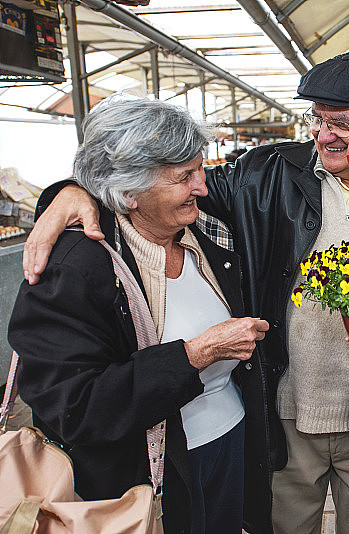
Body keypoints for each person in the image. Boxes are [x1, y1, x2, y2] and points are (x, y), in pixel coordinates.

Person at [23, 51, 349, 534]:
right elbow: (143, 177)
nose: (323, 134)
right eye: (316, 119)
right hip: (284, 410)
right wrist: (69, 191)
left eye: (341, 122)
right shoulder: (263, 176)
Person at [8, 96, 271, 534]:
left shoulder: (206, 233)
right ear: (128, 192)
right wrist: (193, 355)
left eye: (200, 169)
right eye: (184, 177)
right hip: (148, 478)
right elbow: (71, 406)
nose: (203, 187)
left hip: (228, 443)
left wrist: (65, 192)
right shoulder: (76, 267)